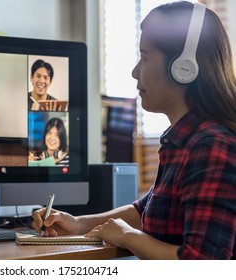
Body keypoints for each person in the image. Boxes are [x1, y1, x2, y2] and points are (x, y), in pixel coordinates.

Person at [32, 2, 236, 260]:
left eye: (146, 56)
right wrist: (78, 224)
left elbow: (202, 263)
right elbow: (147, 210)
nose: (135, 71)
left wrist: (127, 236)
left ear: (183, 68)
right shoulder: (182, 141)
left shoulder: (211, 145)